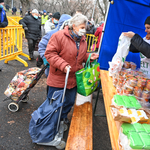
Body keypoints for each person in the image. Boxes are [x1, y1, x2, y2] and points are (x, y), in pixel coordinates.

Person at [44, 13, 99, 123]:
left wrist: (89, 56)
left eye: (85, 28)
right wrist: (63, 65)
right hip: (58, 79)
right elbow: (50, 54)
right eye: (82, 28)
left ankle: (62, 118)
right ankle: (50, 126)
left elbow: (80, 56)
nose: (84, 30)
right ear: (74, 25)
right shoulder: (58, 36)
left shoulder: (82, 40)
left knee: (69, 102)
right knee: (54, 104)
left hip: (73, 79)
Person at [0, 0, 8, 72]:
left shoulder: (3, 11)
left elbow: (6, 21)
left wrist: (3, 24)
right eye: (1, 3)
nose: (3, 4)